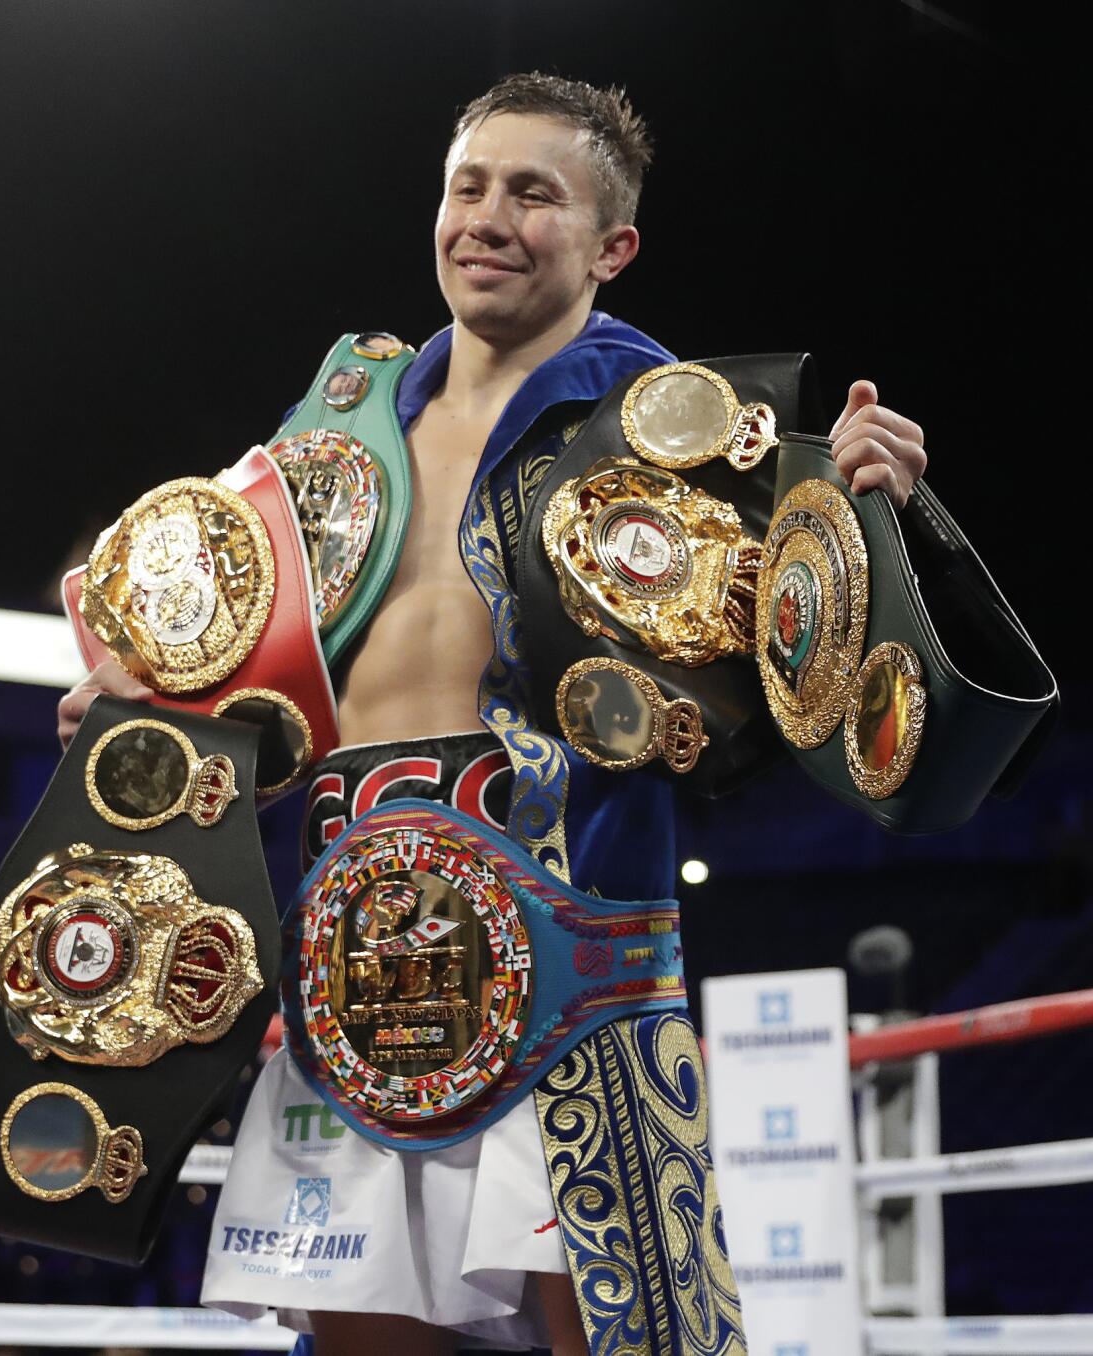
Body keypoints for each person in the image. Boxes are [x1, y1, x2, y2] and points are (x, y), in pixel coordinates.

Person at [58, 73, 927, 1356]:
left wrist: (866, 524)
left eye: (536, 194)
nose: (490, 217)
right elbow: (240, 678)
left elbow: (803, 691)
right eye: (470, 186)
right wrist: (136, 720)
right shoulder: (333, 427)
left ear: (610, 245)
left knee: (630, 1337)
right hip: (352, 956)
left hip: (575, 954)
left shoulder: (672, 433)